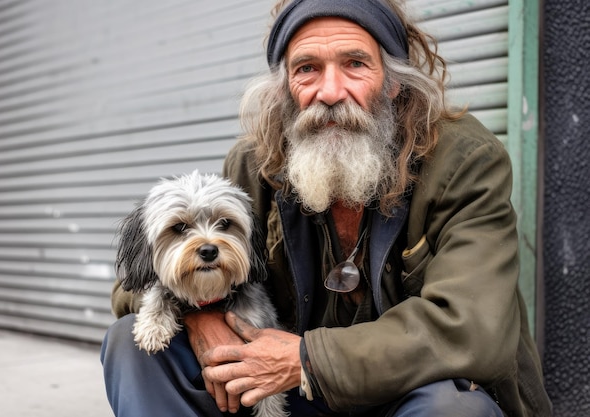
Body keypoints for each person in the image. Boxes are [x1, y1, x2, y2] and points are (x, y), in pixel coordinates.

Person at [101, 0, 552, 416]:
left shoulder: (465, 160)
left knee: (452, 409)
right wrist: (202, 316)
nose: (330, 91)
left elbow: (471, 329)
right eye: (307, 69)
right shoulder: (254, 162)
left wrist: (305, 360)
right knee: (132, 343)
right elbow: (141, 275)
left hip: (406, 395)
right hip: (290, 399)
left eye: (355, 64)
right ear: (285, 89)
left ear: (394, 80)